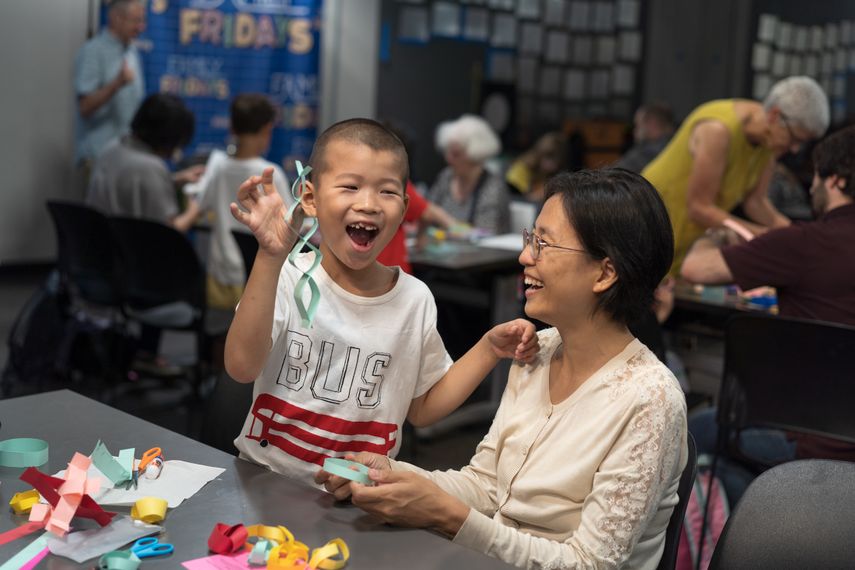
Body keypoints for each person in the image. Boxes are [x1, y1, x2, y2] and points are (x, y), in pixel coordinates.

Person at [317, 169, 688, 569]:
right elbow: (490, 487)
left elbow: (589, 564)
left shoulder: (650, 399)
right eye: (531, 240)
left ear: (604, 273)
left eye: (543, 243)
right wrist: (391, 474)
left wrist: (446, 515)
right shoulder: (538, 349)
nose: (525, 256)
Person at [224, 118, 539, 485]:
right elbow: (242, 367)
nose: (369, 204)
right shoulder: (288, 275)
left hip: (356, 500)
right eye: (350, 186)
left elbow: (420, 408)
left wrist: (487, 349)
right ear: (310, 198)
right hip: (266, 481)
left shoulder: (414, 299)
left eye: (386, 192)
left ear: (404, 209)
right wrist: (269, 257)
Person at [682, 125, 855, 501]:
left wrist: (717, 232)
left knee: (689, 434)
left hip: (809, 440)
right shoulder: (799, 243)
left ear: (837, 180)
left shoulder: (806, 244)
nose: (810, 188)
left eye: (817, 178)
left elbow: (696, 269)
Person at [642, 76, 830, 275]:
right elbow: (699, 207)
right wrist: (761, 235)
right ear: (775, 116)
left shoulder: (769, 142)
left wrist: (798, 235)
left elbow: (756, 202)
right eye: (795, 138)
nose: (795, 149)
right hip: (648, 234)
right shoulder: (718, 130)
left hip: (681, 244)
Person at [194, 93, 291, 309]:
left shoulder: (218, 169)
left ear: (232, 128)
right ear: (268, 129)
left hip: (220, 274)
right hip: (259, 278)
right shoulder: (271, 175)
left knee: (220, 336)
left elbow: (200, 206)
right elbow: (292, 225)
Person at [86, 93, 202, 233]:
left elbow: (128, 184)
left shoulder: (111, 149)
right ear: (167, 138)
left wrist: (174, 179)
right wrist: (194, 211)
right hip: (132, 252)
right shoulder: (152, 168)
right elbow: (169, 233)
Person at [74, 0, 147, 180]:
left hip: (127, 159)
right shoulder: (93, 51)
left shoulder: (131, 52)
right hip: (98, 158)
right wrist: (116, 84)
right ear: (116, 18)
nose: (141, 27)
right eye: (135, 21)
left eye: (142, 21)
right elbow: (84, 107)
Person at [427, 115, 511, 235]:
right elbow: (426, 212)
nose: (448, 159)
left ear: (475, 156)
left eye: (456, 154)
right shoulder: (446, 177)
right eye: (448, 152)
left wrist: (446, 221)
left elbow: (483, 234)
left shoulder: (492, 187)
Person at [376, 181, 455, 274]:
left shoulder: (392, 179)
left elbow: (425, 211)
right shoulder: (391, 178)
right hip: (389, 274)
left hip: (391, 275)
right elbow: (428, 212)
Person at [505, 131, 567, 203]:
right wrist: (538, 195)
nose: (554, 165)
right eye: (549, 157)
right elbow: (516, 199)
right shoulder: (520, 169)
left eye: (557, 160)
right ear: (539, 154)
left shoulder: (550, 174)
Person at [613, 102, 675, 173]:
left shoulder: (644, 154)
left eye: (637, 125)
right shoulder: (679, 148)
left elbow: (615, 175)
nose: (634, 131)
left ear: (652, 124)